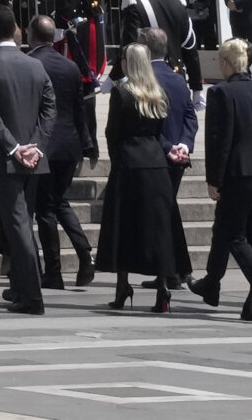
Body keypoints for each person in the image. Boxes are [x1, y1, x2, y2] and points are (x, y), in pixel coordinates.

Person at [0, 5, 55, 313]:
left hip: (9, 158)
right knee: (23, 220)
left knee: (18, 224)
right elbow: (49, 108)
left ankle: (32, 296)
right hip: (33, 156)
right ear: (16, 28)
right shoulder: (34, 65)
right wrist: (36, 145)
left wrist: (13, 147)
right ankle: (20, 287)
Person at [196, 36, 252, 320]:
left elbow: (218, 140)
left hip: (238, 172)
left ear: (225, 63)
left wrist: (214, 178)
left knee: (234, 234)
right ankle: (220, 288)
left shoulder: (221, 93)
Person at [97, 41, 184, 312]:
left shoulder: (122, 92)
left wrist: (117, 159)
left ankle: (123, 285)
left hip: (129, 163)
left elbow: (113, 132)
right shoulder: (157, 92)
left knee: (123, 225)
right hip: (156, 164)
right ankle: (163, 289)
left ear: (128, 62)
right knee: (159, 228)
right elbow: (159, 131)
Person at [27, 15, 93, 288]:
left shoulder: (31, 64)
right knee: (58, 202)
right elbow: (80, 109)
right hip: (69, 144)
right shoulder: (69, 66)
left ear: (32, 35)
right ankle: (84, 252)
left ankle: (53, 271)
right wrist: (87, 144)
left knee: (45, 209)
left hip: (45, 144)